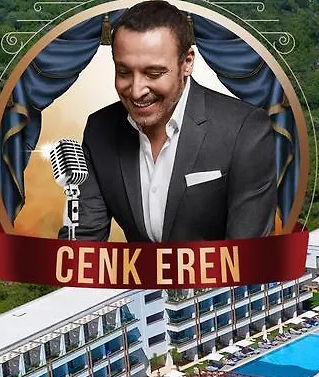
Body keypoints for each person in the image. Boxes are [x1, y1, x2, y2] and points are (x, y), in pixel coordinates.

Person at [69, 0, 279, 242]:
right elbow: (83, 241)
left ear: (187, 62)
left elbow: (249, 254)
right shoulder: (98, 130)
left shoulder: (246, 129)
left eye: (153, 73)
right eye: (123, 72)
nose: (136, 91)